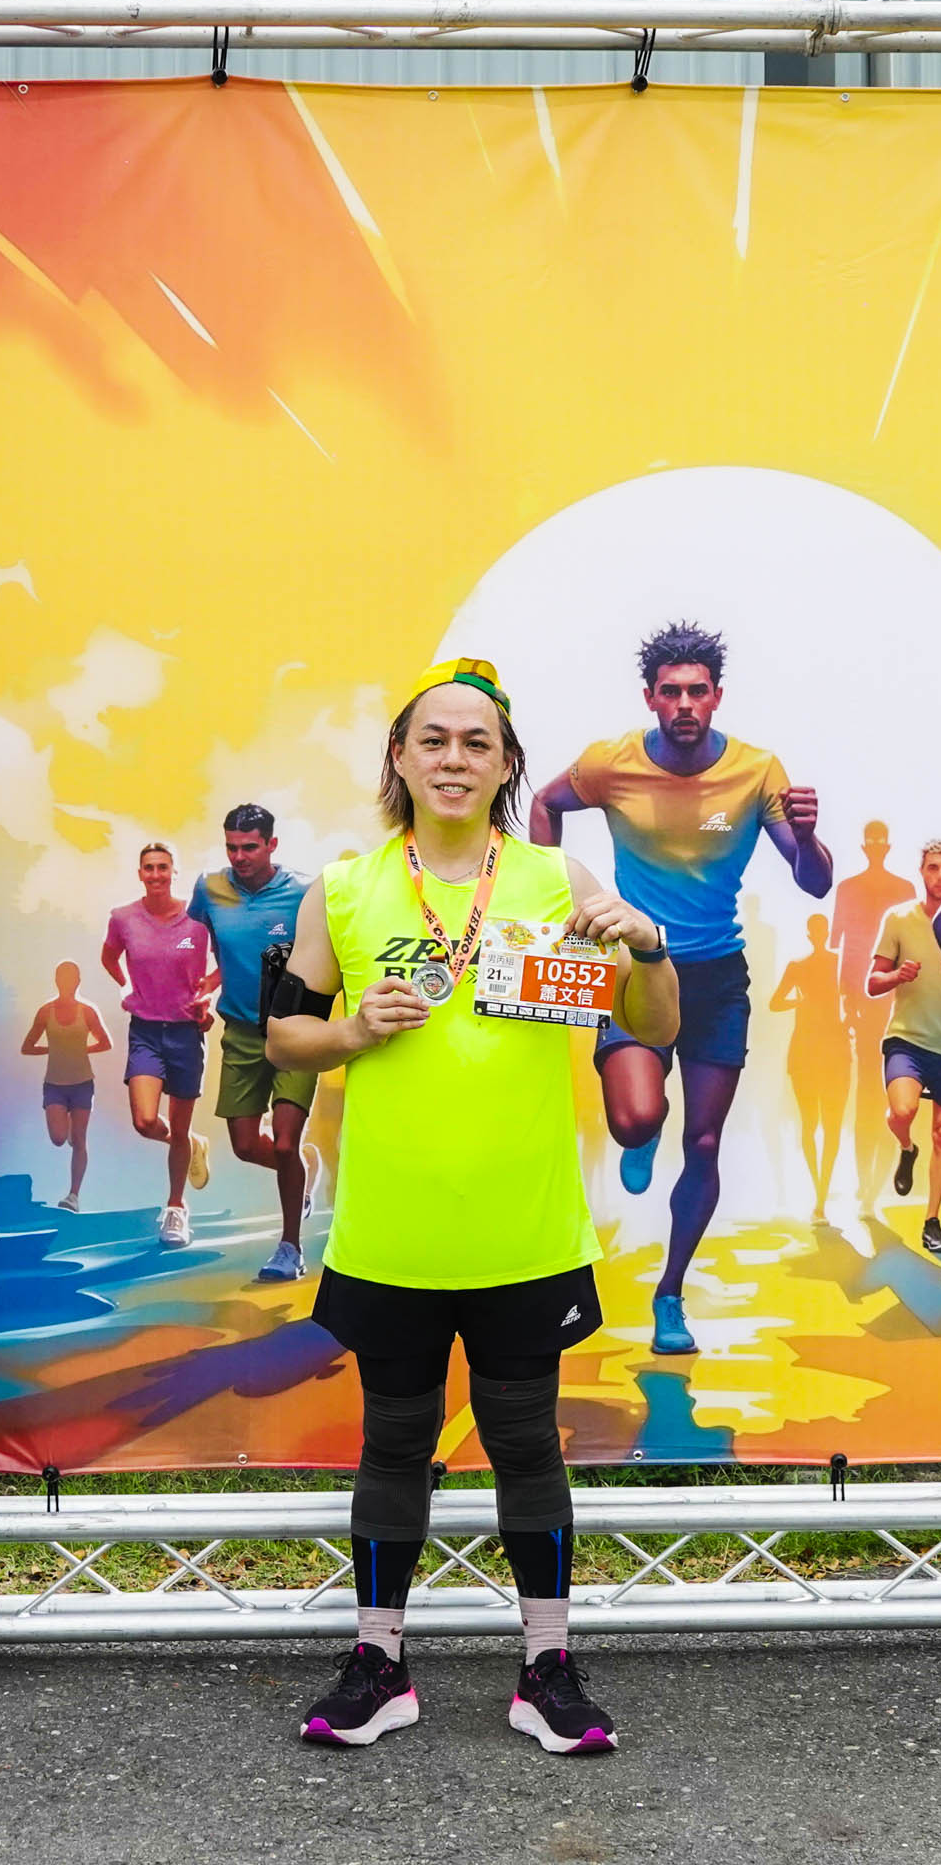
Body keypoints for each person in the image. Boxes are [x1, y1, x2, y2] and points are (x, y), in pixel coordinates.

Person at [270, 659, 676, 1756]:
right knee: (393, 1442)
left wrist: (645, 943)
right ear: (400, 760)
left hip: (522, 1231)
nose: (454, 758)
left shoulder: (556, 878)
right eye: (434, 740)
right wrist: (350, 1031)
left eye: (477, 743)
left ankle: (547, 1668)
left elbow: (655, 1024)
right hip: (393, 1234)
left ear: (505, 767)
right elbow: (283, 1036)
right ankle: (378, 1665)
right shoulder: (343, 888)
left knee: (524, 1444)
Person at [531, 622, 831, 1356]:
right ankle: (641, 1132)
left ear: (717, 695)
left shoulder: (758, 772)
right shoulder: (610, 763)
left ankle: (670, 1292)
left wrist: (809, 836)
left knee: (704, 1140)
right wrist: (546, 905)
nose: (686, 704)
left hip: (716, 976)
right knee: (637, 1121)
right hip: (633, 967)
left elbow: (815, 882)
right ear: (651, 698)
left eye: (698, 691)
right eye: (672, 692)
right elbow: (545, 804)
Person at [193, 805, 317, 1281]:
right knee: (246, 1146)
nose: (239, 856)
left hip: (296, 1028)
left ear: (271, 845)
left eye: (249, 847)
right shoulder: (209, 889)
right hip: (241, 1033)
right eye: (232, 847)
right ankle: (300, 1176)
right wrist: (203, 990)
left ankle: (290, 1248)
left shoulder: (304, 891)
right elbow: (207, 943)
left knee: (285, 1144)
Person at [867, 838, 941, 1257]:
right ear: (922, 873)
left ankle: (932, 1222)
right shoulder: (899, 918)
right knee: (903, 1111)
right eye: (932, 868)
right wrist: (897, 975)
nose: (940, 876)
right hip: (907, 1039)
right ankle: (906, 1147)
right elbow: (872, 982)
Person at [99, 841, 221, 1249]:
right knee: (146, 1121)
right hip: (146, 1032)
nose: (156, 875)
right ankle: (189, 1144)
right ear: (140, 873)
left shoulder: (198, 919)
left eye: (163, 868)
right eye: (149, 868)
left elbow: (227, 960)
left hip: (187, 1033)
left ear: (173, 872)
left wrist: (208, 993)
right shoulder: (123, 918)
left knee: (179, 1127)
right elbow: (109, 957)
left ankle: (175, 1208)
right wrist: (125, 986)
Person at [828, 822, 917, 1199]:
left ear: (886, 847)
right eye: (873, 842)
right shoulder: (849, 889)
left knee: (893, 1092)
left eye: (880, 841)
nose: (877, 847)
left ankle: (876, 1181)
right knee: (869, 1092)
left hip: (899, 1003)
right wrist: (846, 1002)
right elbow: (843, 948)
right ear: (867, 847)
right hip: (866, 1006)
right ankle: (866, 1183)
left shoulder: (904, 890)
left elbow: (916, 945)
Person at [767, 914, 851, 1218]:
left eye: (820, 931)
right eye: (816, 931)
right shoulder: (801, 966)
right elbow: (774, 1003)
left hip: (831, 1049)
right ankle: (819, 1191)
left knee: (826, 1124)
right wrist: (799, 1002)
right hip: (809, 1050)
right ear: (814, 934)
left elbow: (852, 998)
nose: (818, 935)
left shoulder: (834, 964)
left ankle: (821, 1193)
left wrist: (848, 1019)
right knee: (813, 1124)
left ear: (821, 933)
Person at [19, 962, 110, 1209]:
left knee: (79, 1140)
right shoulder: (45, 1012)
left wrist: (81, 1049)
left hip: (82, 1083)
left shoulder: (87, 1012)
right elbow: (27, 1047)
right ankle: (67, 1126)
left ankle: (73, 1196)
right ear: (56, 981)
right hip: (55, 1084)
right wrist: (53, 1049)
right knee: (59, 1138)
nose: (67, 983)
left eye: (71, 978)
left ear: (78, 982)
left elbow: (105, 1042)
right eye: (62, 978)